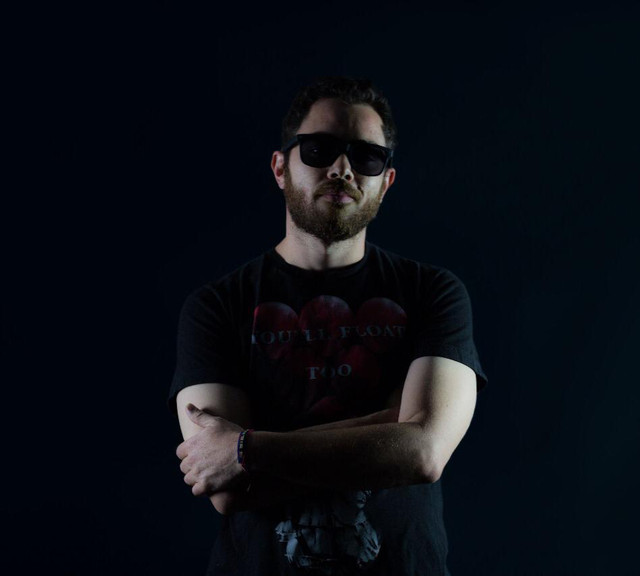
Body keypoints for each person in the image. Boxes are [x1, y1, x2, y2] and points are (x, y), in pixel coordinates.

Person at [169, 76, 487, 575]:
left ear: (387, 181)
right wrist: (391, 426)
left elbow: (424, 452)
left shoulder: (433, 292)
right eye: (319, 149)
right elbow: (227, 488)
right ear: (280, 167)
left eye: (367, 157)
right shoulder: (216, 306)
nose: (342, 168)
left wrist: (248, 448)